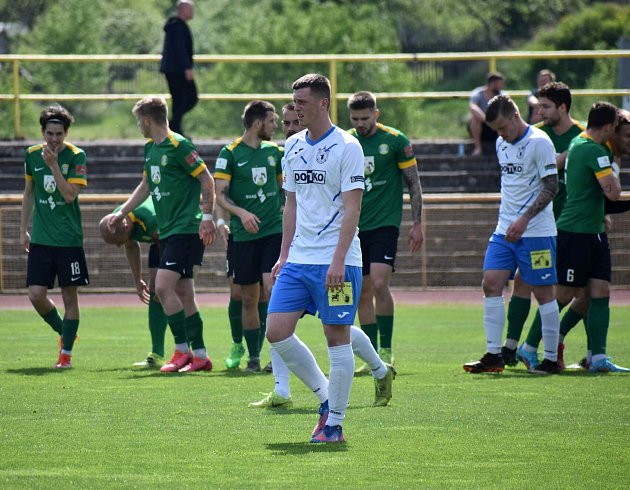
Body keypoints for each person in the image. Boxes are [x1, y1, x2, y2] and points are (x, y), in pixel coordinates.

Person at [264, 73, 365, 443]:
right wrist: (283, 254)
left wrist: (339, 260)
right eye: (294, 101)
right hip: (299, 260)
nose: (295, 108)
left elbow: (353, 210)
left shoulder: (347, 146)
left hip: (338, 261)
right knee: (276, 331)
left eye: (302, 102)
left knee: (335, 336)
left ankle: (335, 424)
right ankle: (325, 399)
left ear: (323, 103)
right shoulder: (290, 146)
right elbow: (289, 205)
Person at [108, 96, 216, 373]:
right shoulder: (151, 148)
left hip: (186, 228)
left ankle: (181, 351)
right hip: (168, 230)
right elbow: (146, 185)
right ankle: (201, 356)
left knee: (162, 288)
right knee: (184, 294)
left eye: (138, 121)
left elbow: (207, 179)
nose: (138, 126)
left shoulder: (179, 145)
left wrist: (206, 217)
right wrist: (123, 212)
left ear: (146, 120)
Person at [463, 94, 561, 375]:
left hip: (537, 232)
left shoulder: (539, 142)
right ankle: (495, 355)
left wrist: (524, 219)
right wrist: (511, 220)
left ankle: (552, 359)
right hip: (504, 229)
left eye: (504, 128)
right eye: (496, 131)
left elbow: (551, 186)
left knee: (543, 293)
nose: (502, 135)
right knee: (490, 283)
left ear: (516, 116)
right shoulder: (500, 143)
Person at [500, 82, 584, 368]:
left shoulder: (581, 137)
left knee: (575, 291)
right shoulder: (535, 135)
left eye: (546, 106)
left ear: (563, 107)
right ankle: (516, 346)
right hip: (538, 226)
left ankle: (538, 346)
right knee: (526, 282)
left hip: (570, 222)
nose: (539, 111)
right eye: (538, 106)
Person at [346, 91, 424, 372]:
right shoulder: (345, 140)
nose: (360, 124)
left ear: (376, 114)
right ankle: (371, 358)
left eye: (365, 118)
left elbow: (413, 184)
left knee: (379, 283)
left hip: (384, 225)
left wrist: (417, 224)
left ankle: (386, 348)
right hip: (353, 228)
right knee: (362, 292)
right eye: (355, 119)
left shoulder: (395, 140)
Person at [552, 102, 627, 372]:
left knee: (597, 292)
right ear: (609, 128)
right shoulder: (592, 149)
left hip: (592, 231)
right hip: (576, 232)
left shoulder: (582, 144)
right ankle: (531, 346)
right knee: (563, 294)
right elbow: (613, 194)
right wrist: (614, 169)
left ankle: (597, 358)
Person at [214, 100, 283, 372]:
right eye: (272, 121)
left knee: (272, 289)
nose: (276, 126)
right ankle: (253, 357)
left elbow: (283, 190)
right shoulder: (229, 153)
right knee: (249, 297)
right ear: (258, 124)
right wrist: (240, 214)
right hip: (243, 236)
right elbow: (219, 194)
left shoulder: (274, 153)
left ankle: (277, 354)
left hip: (273, 232)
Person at [19, 105, 89, 369]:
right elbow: (28, 193)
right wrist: (22, 229)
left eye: (59, 134)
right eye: (49, 134)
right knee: (36, 294)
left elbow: (70, 195)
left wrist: (54, 165)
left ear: (66, 133)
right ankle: (64, 332)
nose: (54, 139)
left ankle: (66, 355)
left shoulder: (76, 156)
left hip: (68, 240)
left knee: (70, 299)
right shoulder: (31, 155)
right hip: (41, 239)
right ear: (42, 132)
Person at [99, 198, 168, 368]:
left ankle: (188, 351)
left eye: (117, 242)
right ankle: (157, 354)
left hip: (175, 234)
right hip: (158, 240)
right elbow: (130, 246)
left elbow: (168, 245)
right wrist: (138, 281)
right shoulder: (118, 219)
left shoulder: (150, 218)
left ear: (127, 228)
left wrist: (162, 282)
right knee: (155, 291)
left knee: (173, 290)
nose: (117, 247)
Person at [160, 0, 198, 136]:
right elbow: (180, 49)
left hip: (174, 69)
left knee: (179, 100)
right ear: (183, 10)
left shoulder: (176, 25)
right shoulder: (177, 26)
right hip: (178, 70)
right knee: (190, 98)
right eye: (191, 9)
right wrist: (187, 68)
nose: (193, 11)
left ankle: (175, 129)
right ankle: (173, 125)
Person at [469, 72, 506, 156]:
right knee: (475, 119)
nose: (502, 87)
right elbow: (473, 107)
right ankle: (478, 148)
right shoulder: (478, 93)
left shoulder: (503, 94)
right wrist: (487, 120)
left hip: (498, 127)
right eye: (500, 84)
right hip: (483, 127)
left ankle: (504, 149)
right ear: (492, 83)